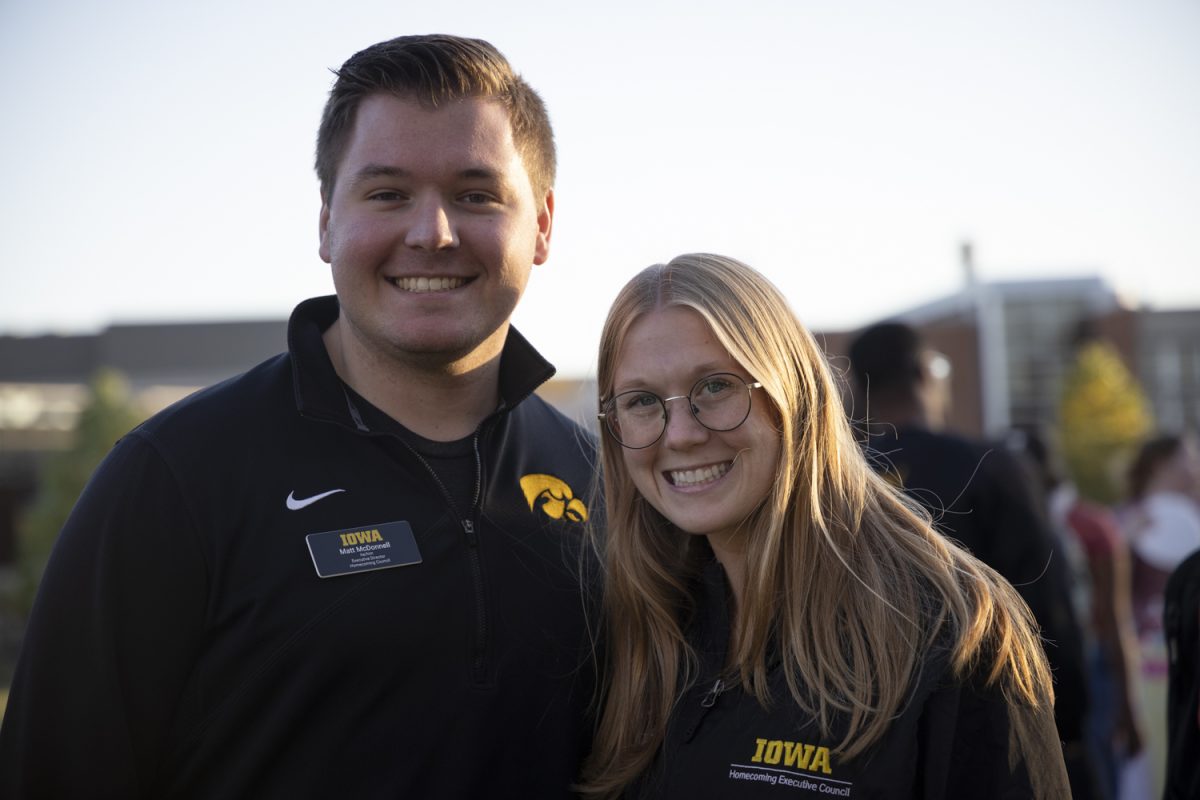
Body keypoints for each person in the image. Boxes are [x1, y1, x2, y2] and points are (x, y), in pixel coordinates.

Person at [0, 34, 596, 798]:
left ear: (542, 225)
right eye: (387, 194)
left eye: (476, 195)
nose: (432, 233)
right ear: (325, 223)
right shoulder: (175, 478)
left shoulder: (600, 481)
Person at [578, 254, 1070, 799]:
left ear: (795, 393)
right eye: (643, 401)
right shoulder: (640, 631)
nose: (681, 434)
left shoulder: (949, 635)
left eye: (716, 386)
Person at [846, 321, 1101, 799]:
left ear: (858, 387)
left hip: (867, 733)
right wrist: (1070, 729)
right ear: (926, 372)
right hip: (998, 721)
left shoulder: (838, 481)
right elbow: (1048, 602)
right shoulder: (990, 465)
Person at [1009, 426, 1144, 798]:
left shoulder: (1089, 525)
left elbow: (1115, 620)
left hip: (1086, 667)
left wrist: (1128, 707)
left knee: (1090, 774)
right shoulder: (1010, 525)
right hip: (1027, 668)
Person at [1117, 433, 1200, 799]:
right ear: (1163, 464)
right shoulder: (1132, 520)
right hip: (1154, 663)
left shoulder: (1183, 518)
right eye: (1190, 458)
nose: (1197, 467)